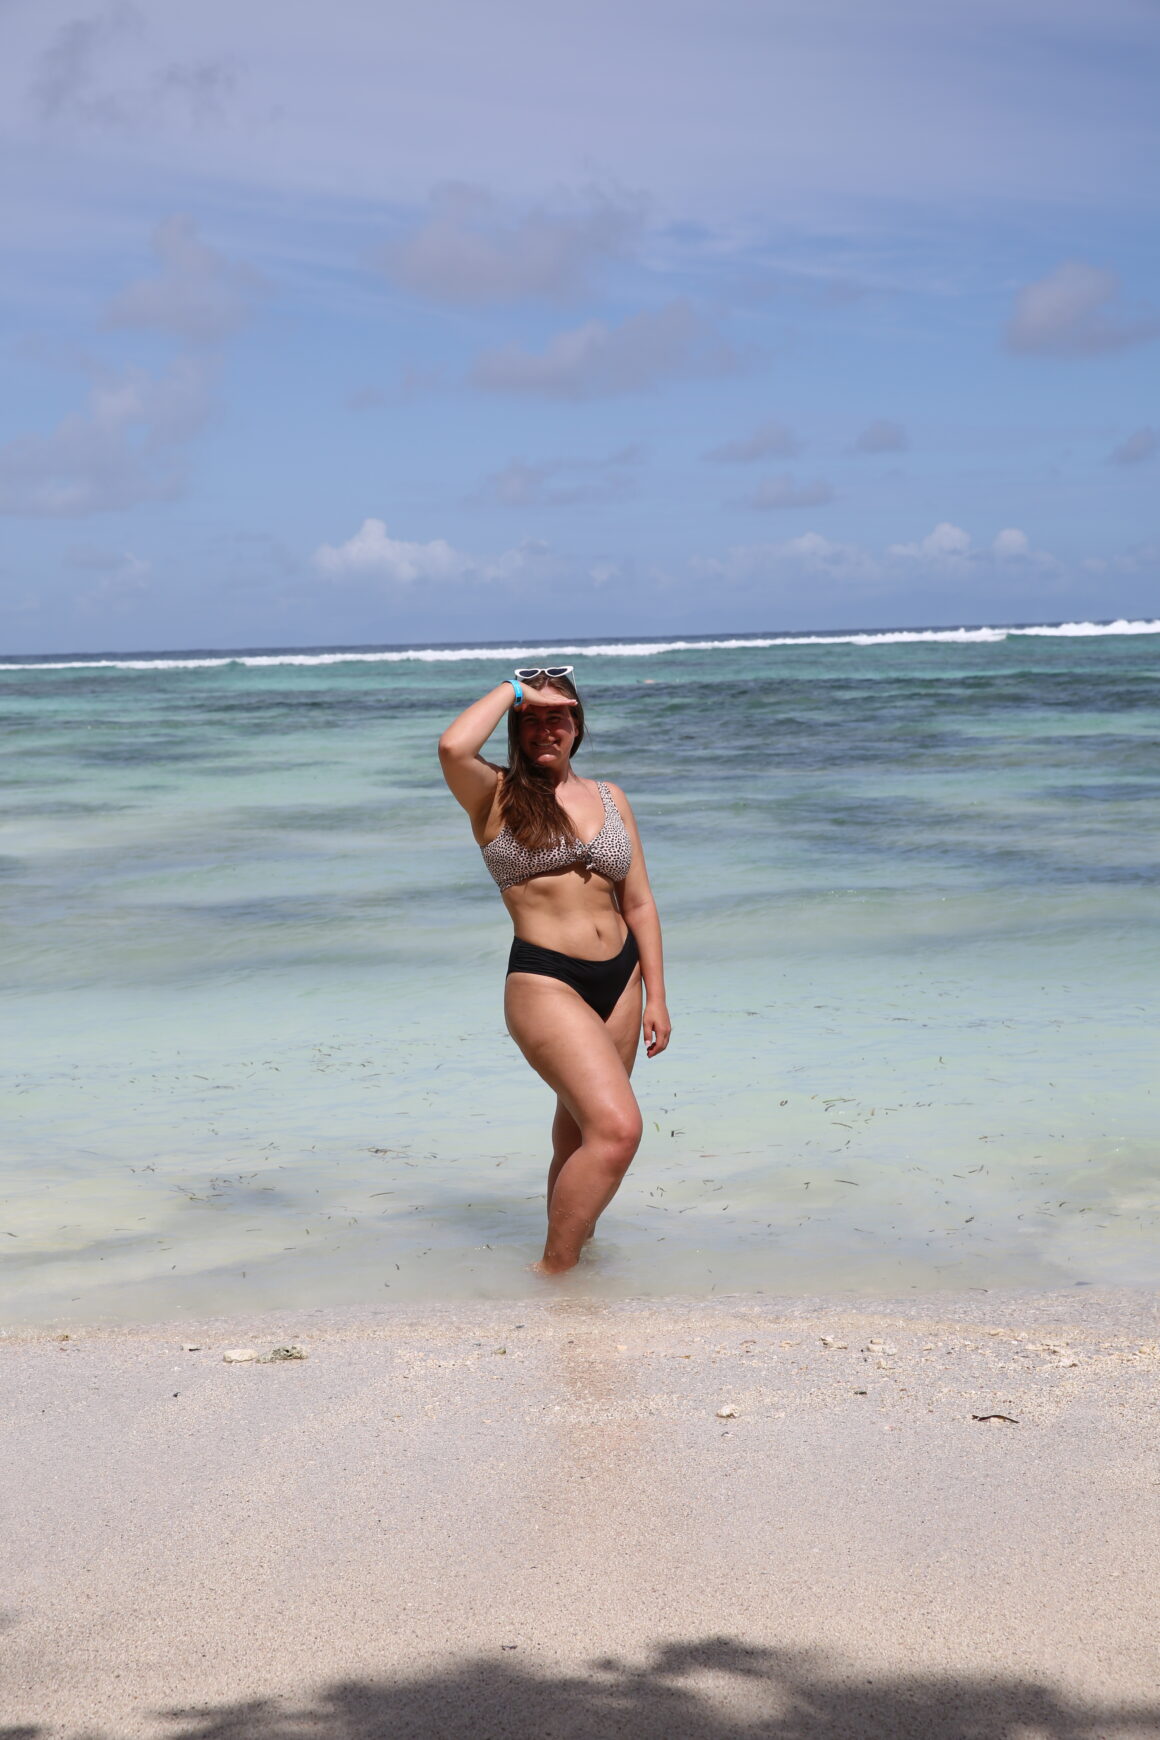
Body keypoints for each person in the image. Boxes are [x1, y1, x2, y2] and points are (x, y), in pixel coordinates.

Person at [438, 667, 671, 1273]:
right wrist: (516, 691)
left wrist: (658, 997)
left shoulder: (611, 797)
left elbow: (639, 901)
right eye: (533, 720)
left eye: (557, 717)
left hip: (621, 981)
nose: (546, 728)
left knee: (580, 1135)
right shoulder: (491, 793)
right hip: (547, 981)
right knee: (618, 1131)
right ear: (515, 731)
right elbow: (452, 745)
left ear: (577, 728)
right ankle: (555, 1273)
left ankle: (577, 1263)